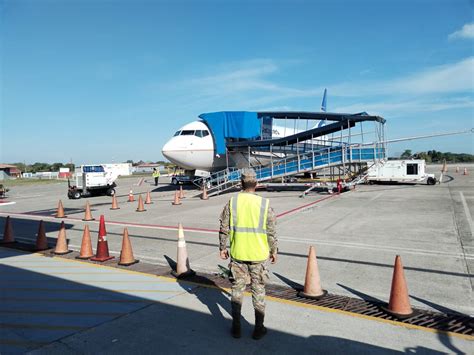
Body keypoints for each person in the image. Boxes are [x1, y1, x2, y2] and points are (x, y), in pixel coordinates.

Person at [219, 168, 277, 340]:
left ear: (240, 184)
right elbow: (271, 231)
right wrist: (274, 250)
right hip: (259, 255)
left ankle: (236, 327)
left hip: (238, 254)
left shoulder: (232, 202)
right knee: (258, 291)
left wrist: (223, 247)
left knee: (237, 291)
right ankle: (258, 328)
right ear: (256, 184)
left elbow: (224, 227)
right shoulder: (265, 204)